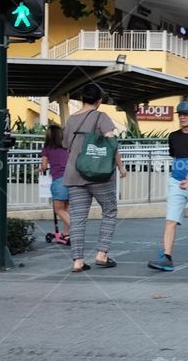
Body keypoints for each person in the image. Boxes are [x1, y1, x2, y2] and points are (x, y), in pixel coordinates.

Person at [63, 83, 128, 273]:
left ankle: (77, 261)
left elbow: (66, 144)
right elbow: (111, 144)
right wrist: (120, 167)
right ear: (99, 101)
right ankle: (102, 254)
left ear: (82, 99)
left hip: (75, 174)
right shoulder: (101, 116)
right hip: (100, 176)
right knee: (109, 210)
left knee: (77, 218)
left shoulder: (70, 120)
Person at [147, 101, 188, 272]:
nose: (183, 117)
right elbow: (176, 157)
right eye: (180, 114)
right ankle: (166, 257)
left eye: (186, 114)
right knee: (170, 220)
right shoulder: (173, 136)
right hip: (176, 182)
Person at [40, 124, 70, 241]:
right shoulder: (66, 147)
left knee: (59, 209)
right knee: (66, 209)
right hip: (71, 180)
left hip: (59, 181)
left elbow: (43, 165)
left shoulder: (47, 148)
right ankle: (66, 234)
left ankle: (77, 230)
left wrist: (42, 168)